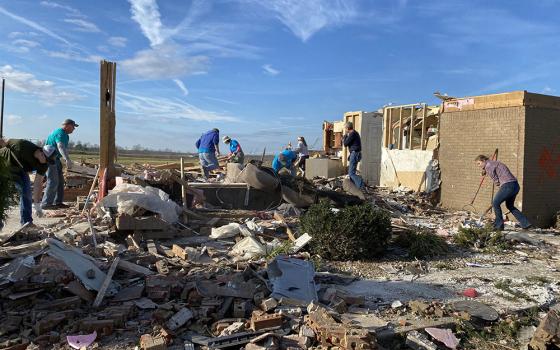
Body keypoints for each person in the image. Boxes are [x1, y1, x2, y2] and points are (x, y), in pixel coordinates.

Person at [0, 138, 56, 228]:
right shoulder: (22, 145)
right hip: (3, 166)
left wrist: (37, 205)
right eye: (47, 160)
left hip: (19, 170)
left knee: (26, 192)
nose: (46, 163)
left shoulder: (44, 165)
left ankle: (27, 222)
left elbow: (38, 183)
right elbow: (3, 142)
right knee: (2, 196)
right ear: (42, 153)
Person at [475, 155, 531, 230]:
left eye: (479, 163)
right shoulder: (494, 163)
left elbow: (495, 179)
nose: (478, 166)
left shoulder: (488, 166)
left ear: (483, 161)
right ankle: (526, 223)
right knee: (510, 206)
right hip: (515, 185)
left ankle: (499, 225)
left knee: (495, 203)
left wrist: (499, 185)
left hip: (507, 185)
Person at [42, 119, 78, 209]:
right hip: (49, 159)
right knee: (53, 181)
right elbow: (60, 146)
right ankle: (46, 204)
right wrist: (67, 159)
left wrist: (65, 158)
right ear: (68, 125)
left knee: (60, 181)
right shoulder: (60, 133)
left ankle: (58, 202)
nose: (74, 129)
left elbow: (63, 148)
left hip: (56, 159)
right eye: (73, 127)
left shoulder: (65, 135)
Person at [342, 122, 364, 188]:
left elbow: (345, 144)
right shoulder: (355, 133)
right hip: (355, 153)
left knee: (351, 173)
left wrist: (345, 136)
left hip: (355, 153)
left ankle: (360, 184)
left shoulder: (352, 134)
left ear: (347, 128)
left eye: (345, 128)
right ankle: (354, 187)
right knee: (352, 172)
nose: (345, 130)